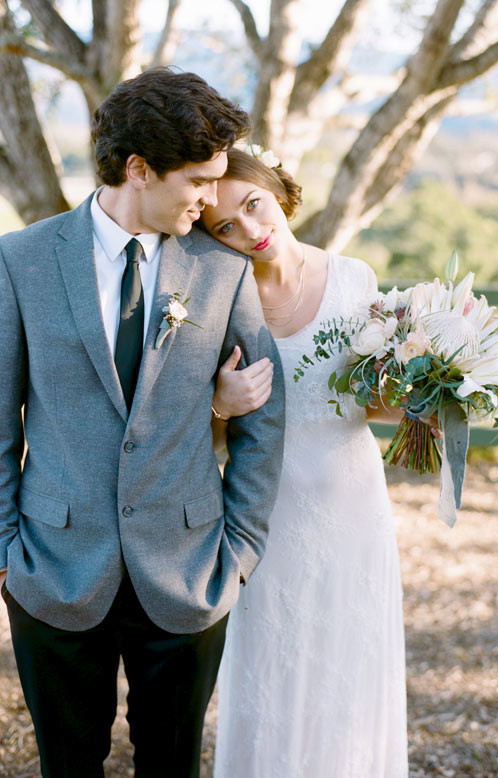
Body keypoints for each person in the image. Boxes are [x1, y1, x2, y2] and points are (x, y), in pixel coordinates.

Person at [0, 70, 285, 778]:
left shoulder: (222, 271)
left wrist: (240, 548)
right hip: (52, 568)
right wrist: (6, 550)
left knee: (172, 764)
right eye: (194, 180)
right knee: (68, 765)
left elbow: (264, 415)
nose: (207, 198)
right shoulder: (21, 259)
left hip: (189, 567)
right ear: (138, 168)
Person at [201, 148, 412, 778]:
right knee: (272, 664)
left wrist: (416, 394)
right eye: (225, 228)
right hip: (266, 513)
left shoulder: (355, 278)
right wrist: (220, 403)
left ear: (274, 190)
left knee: (352, 659)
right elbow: (197, 432)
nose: (249, 229)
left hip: (354, 505)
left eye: (252, 204)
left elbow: (370, 405)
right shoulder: (218, 300)